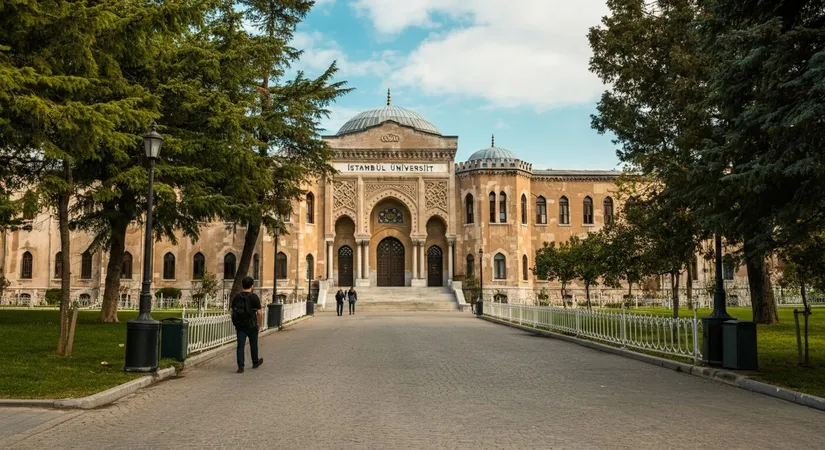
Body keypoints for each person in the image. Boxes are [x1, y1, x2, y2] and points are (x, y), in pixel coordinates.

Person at [231, 276, 263, 373]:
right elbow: (259, 313)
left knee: (240, 345)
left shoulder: (237, 296)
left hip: (240, 325)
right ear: (252, 285)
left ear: (242, 285)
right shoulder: (254, 297)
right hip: (252, 324)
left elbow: (233, 310)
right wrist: (259, 324)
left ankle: (240, 366)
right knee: (253, 343)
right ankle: (255, 362)